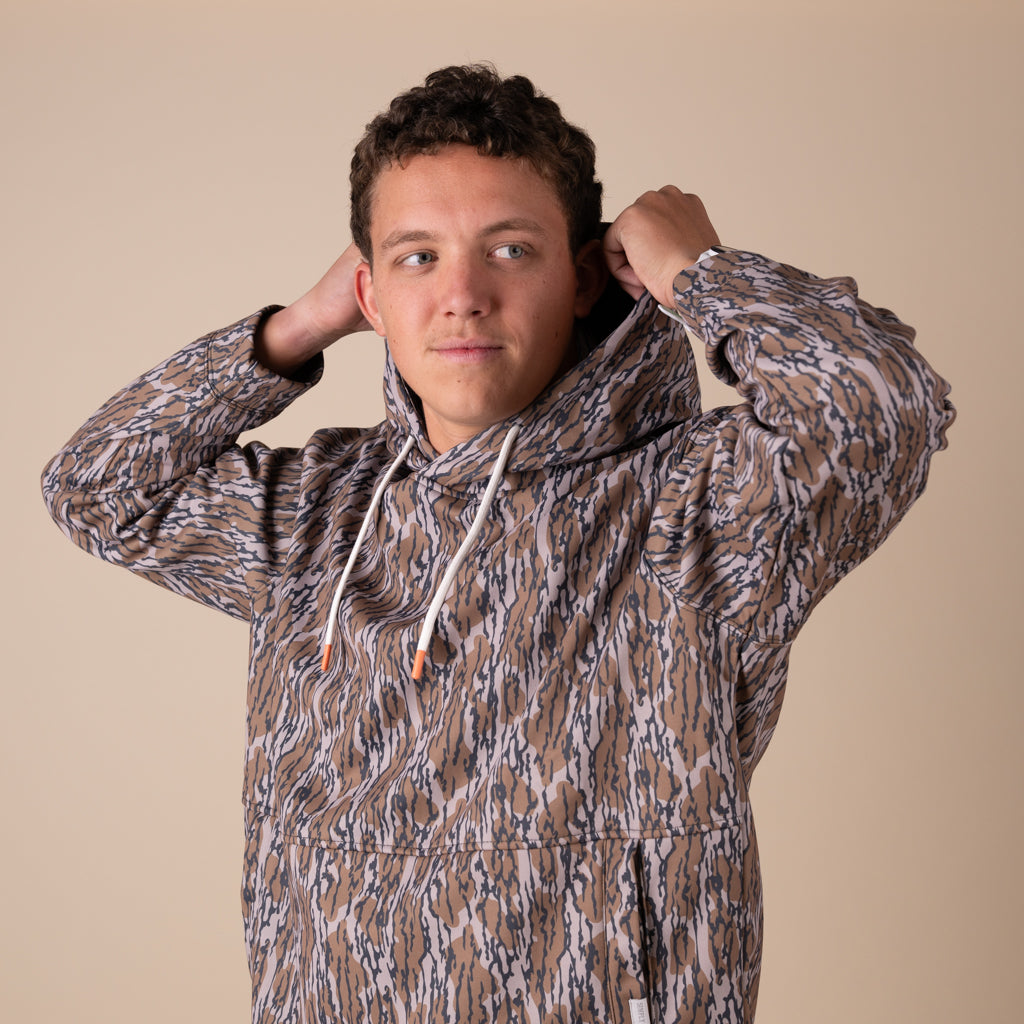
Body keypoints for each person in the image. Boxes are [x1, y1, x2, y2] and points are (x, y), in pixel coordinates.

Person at [42, 64, 953, 1023]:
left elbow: (878, 407)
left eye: (510, 250)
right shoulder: (316, 517)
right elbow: (99, 487)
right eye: (417, 257)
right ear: (369, 291)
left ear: (586, 273)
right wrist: (303, 324)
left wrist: (701, 276)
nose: (463, 295)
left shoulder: (702, 511)